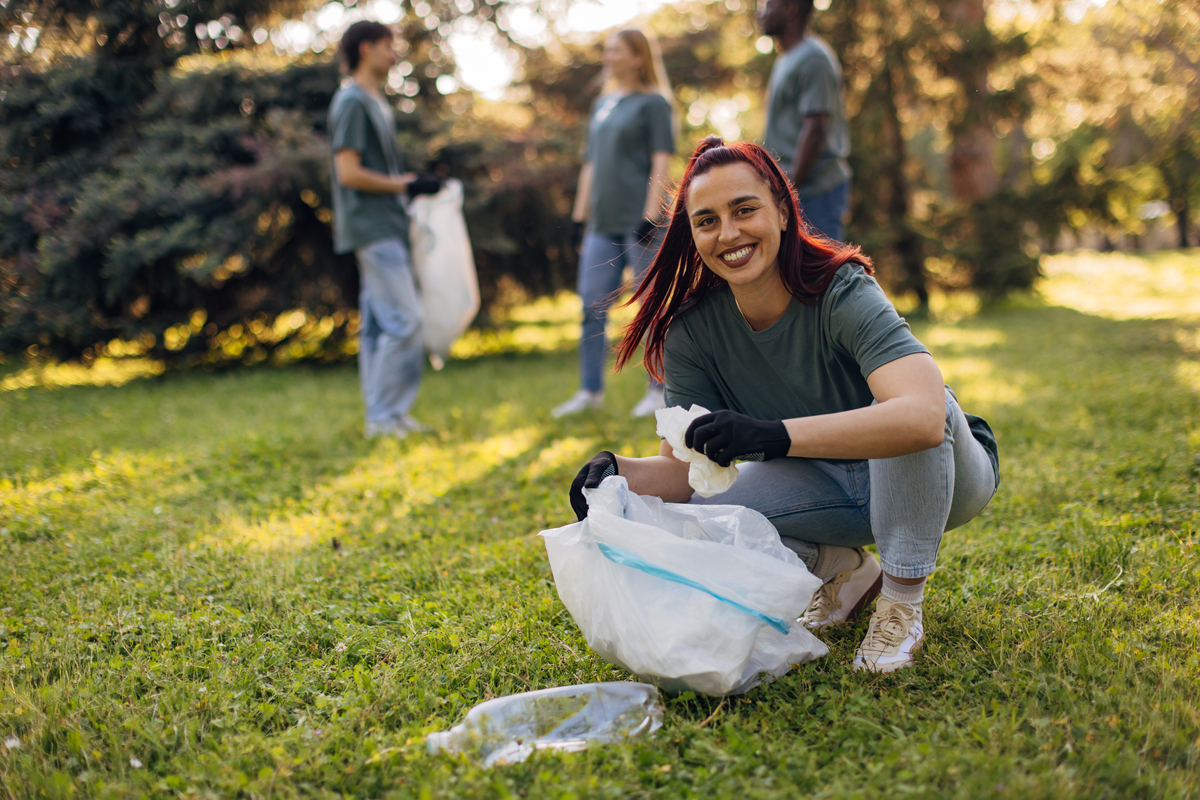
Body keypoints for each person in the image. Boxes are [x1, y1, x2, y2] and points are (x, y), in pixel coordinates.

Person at [569, 137, 999, 673]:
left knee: (909, 408)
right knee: (694, 515)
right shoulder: (693, 332)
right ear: (693, 235)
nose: (729, 233)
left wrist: (773, 435)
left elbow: (924, 418)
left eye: (744, 210)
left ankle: (901, 603)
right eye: (707, 221)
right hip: (829, 490)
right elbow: (681, 476)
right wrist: (616, 474)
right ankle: (840, 567)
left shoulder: (840, 288)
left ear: (781, 210)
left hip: (942, 481)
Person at [552, 28, 677, 420]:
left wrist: (651, 215)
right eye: (606, 49)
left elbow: (661, 158)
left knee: (650, 305)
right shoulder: (602, 104)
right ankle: (589, 391)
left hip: (641, 222)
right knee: (591, 305)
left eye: (616, 50)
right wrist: (579, 218)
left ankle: (659, 390)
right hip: (601, 224)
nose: (607, 56)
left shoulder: (654, 103)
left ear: (638, 57)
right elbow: (590, 164)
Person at [329, 20, 441, 440]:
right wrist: (405, 185)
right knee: (406, 320)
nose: (395, 56)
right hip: (371, 227)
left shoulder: (375, 100)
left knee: (379, 326)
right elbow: (348, 172)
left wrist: (409, 185)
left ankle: (386, 415)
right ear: (365, 49)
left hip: (387, 223)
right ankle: (383, 417)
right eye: (387, 47)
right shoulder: (352, 101)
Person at [758, 0, 851, 242]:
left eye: (769, 5)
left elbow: (815, 128)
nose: (761, 12)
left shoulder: (813, 58)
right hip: (794, 193)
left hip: (816, 193)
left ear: (791, 9)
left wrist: (788, 189)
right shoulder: (786, 59)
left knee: (822, 266)